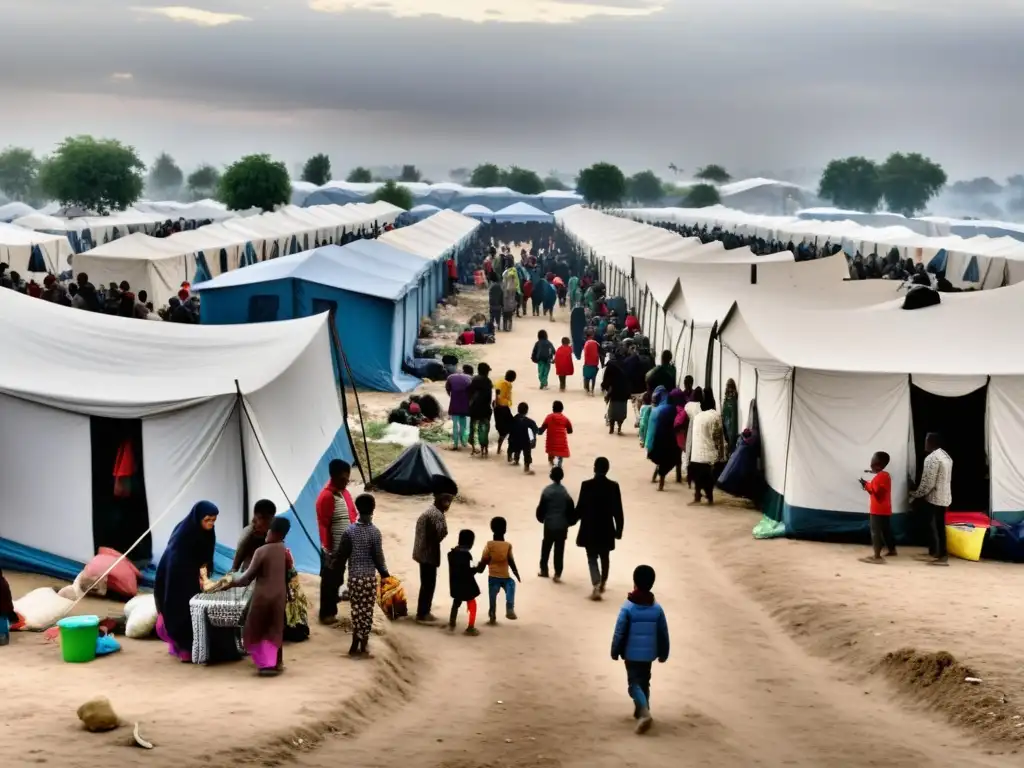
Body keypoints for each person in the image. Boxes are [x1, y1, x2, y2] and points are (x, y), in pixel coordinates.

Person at [224, 516, 291, 676]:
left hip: (262, 596)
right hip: (280, 596)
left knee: (257, 628)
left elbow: (246, 578)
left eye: (270, 530)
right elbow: (289, 574)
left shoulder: (261, 551)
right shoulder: (285, 552)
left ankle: (265, 664)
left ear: (272, 532)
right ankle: (277, 662)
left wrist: (230, 582)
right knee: (275, 628)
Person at [154, 501, 220, 662]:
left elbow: (205, 557)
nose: (211, 524)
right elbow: (174, 559)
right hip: (174, 575)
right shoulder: (184, 534)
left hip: (191, 573)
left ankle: (190, 646)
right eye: (208, 520)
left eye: (214, 520)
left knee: (194, 608)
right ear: (198, 518)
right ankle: (184, 648)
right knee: (181, 608)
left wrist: (203, 576)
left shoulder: (207, 533)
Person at [610, 565, 670, 735]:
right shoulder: (657, 609)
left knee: (633, 685)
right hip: (648, 654)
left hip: (631, 654)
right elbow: (663, 633)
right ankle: (642, 710)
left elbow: (620, 631)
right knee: (644, 681)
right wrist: (664, 652)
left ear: (634, 582)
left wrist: (615, 651)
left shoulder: (627, 607)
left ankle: (644, 712)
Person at [336, 494, 390, 657]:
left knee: (356, 610)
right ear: (373, 509)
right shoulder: (375, 533)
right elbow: (378, 558)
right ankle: (363, 644)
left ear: (357, 509)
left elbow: (341, 556)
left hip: (354, 578)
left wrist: (334, 570)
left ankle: (354, 643)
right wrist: (385, 574)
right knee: (367, 611)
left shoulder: (349, 531)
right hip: (368, 578)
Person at [575, 457, 624, 600]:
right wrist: (619, 530)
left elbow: (580, 508)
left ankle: (596, 583)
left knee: (591, 557)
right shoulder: (613, 486)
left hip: (589, 527)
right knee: (605, 556)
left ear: (594, 468)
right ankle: (603, 582)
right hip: (606, 528)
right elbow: (618, 511)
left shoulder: (586, 485)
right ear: (607, 469)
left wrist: (570, 520)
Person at [316, 459, 357, 625]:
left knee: (338, 578)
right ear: (333, 477)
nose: (346, 482)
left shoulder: (345, 494)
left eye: (347, 479)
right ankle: (327, 613)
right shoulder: (326, 497)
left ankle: (333, 602)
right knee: (329, 580)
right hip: (332, 549)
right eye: (342, 479)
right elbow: (324, 525)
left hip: (345, 547)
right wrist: (328, 550)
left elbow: (353, 515)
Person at [412, 474, 456, 622]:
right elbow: (440, 534)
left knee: (426, 583)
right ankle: (423, 612)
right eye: (447, 500)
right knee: (429, 584)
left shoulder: (430, 511)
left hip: (422, 552)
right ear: (439, 498)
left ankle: (423, 611)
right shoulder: (436, 515)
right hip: (428, 554)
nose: (448, 504)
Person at [909, 432, 953, 566]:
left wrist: (915, 494)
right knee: (939, 526)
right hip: (945, 497)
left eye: (927, 441)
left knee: (932, 526)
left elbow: (928, 483)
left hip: (934, 499)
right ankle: (938, 553)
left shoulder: (932, 458)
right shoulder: (946, 456)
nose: (925, 443)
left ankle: (939, 554)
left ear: (932, 442)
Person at [536, 466, 577, 582]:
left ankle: (544, 570)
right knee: (559, 549)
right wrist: (570, 522)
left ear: (551, 476)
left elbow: (541, 508)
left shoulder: (547, 491)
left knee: (546, 546)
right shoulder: (565, 493)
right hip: (562, 526)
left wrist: (541, 518)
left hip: (549, 524)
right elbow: (571, 510)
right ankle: (557, 573)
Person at [480, 516, 521, 624]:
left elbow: (484, 559)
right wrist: (516, 573)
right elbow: (511, 561)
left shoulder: (489, 545)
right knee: (511, 586)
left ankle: (492, 615)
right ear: (505, 530)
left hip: (493, 577)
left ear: (491, 529)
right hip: (505, 577)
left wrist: (478, 569)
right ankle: (509, 608)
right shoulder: (507, 546)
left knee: (492, 597)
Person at [689, 391, 727, 505]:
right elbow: (718, 438)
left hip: (695, 457)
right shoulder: (715, 416)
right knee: (708, 481)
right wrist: (721, 456)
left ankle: (697, 496)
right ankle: (709, 499)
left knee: (698, 479)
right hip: (708, 459)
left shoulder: (697, 417)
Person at [859, 451, 897, 564]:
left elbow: (875, 492)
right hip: (885, 509)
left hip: (877, 510)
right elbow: (876, 488)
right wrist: (868, 484)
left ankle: (877, 556)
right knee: (886, 530)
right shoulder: (885, 476)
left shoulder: (879, 478)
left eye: (872, 460)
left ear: (877, 464)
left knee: (875, 532)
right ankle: (892, 550)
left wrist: (865, 485)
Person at [448, 529, 486, 635]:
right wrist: (478, 568)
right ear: (471, 543)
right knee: (472, 604)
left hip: (456, 585)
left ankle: (452, 623)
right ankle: (470, 627)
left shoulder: (452, 554)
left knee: (456, 603)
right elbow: (469, 571)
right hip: (467, 586)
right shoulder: (467, 556)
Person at [647, 387, 682, 492]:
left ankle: (658, 481)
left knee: (661, 460)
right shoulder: (677, 410)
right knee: (674, 459)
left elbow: (655, 426)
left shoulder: (660, 409)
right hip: (672, 438)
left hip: (660, 437)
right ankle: (677, 478)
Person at [231, 499, 276, 573]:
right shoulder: (248, 533)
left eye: (268, 519)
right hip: (249, 571)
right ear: (256, 517)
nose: (264, 522)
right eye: (262, 518)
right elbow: (239, 555)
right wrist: (233, 571)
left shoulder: (273, 530)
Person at [601, 351, 632, 435]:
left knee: (612, 410)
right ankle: (619, 428)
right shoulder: (626, 364)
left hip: (614, 391)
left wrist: (604, 387)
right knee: (621, 412)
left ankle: (611, 428)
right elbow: (629, 378)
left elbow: (606, 378)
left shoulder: (610, 365)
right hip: (623, 392)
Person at [468, 362, 494, 457]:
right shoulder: (488, 381)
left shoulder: (474, 379)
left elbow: (469, 393)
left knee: (472, 429)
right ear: (486, 372)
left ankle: (473, 448)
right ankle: (484, 449)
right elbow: (489, 397)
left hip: (474, 408)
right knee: (484, 429)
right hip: (485, 409)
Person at [446, 364, 473, 451]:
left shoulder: (450, 377)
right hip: (465, 404)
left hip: (454, 404)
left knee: (455, 425)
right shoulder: (470, 378)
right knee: (463, 424)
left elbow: (447, 389)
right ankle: (464, 442)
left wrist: (452, 396)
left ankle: (455, 444)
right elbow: (472, 392)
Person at [538, 400, 573, 468]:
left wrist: (536, 431)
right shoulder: (565, 419)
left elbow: (542, 430)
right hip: (561, 443)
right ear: (562, 409)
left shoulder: (549, 417)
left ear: (553, 409)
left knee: (551, 452)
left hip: (551, 442)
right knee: (560, 456)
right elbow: (570, 431)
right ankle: (559, 466)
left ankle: (551, 463)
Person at [508, 402, 538, 473]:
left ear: (518, 410)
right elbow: (536, 430)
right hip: (525, 442)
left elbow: (509, 430)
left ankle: (516, 460)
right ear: (527, 411)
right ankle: (526, 467)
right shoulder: (530, 421)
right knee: (527, 453)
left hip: (515, 441)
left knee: (516, 449)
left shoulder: (513, 419)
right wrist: (534, 440)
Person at [493, 370, 517, 455]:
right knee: (511, 427)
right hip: (503, 408)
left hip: (496, 407)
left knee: (502, 429)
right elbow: (506, 396)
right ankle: (510, 450)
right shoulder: (508, 384)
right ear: (513, 378)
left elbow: (496, 394)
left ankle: (499, 448)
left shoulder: (499, 381)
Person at [722, 379, 740, 456]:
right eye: (727, 386)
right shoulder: (726, 399)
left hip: (730, 425)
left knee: (731, 444)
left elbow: (733, 418)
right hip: (725, 423)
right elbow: (724, 412)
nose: (728, 388)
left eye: (730, 386)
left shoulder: (733, 400)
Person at [582, 329, 601, 395]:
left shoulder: (586, 343)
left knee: (586, 378)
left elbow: (585, 354)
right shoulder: (596, 343)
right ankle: (592, 390)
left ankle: (587, 390)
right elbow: (598, 354)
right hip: (594, 364)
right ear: (592, 335)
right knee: (593, 378)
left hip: (587, 364)